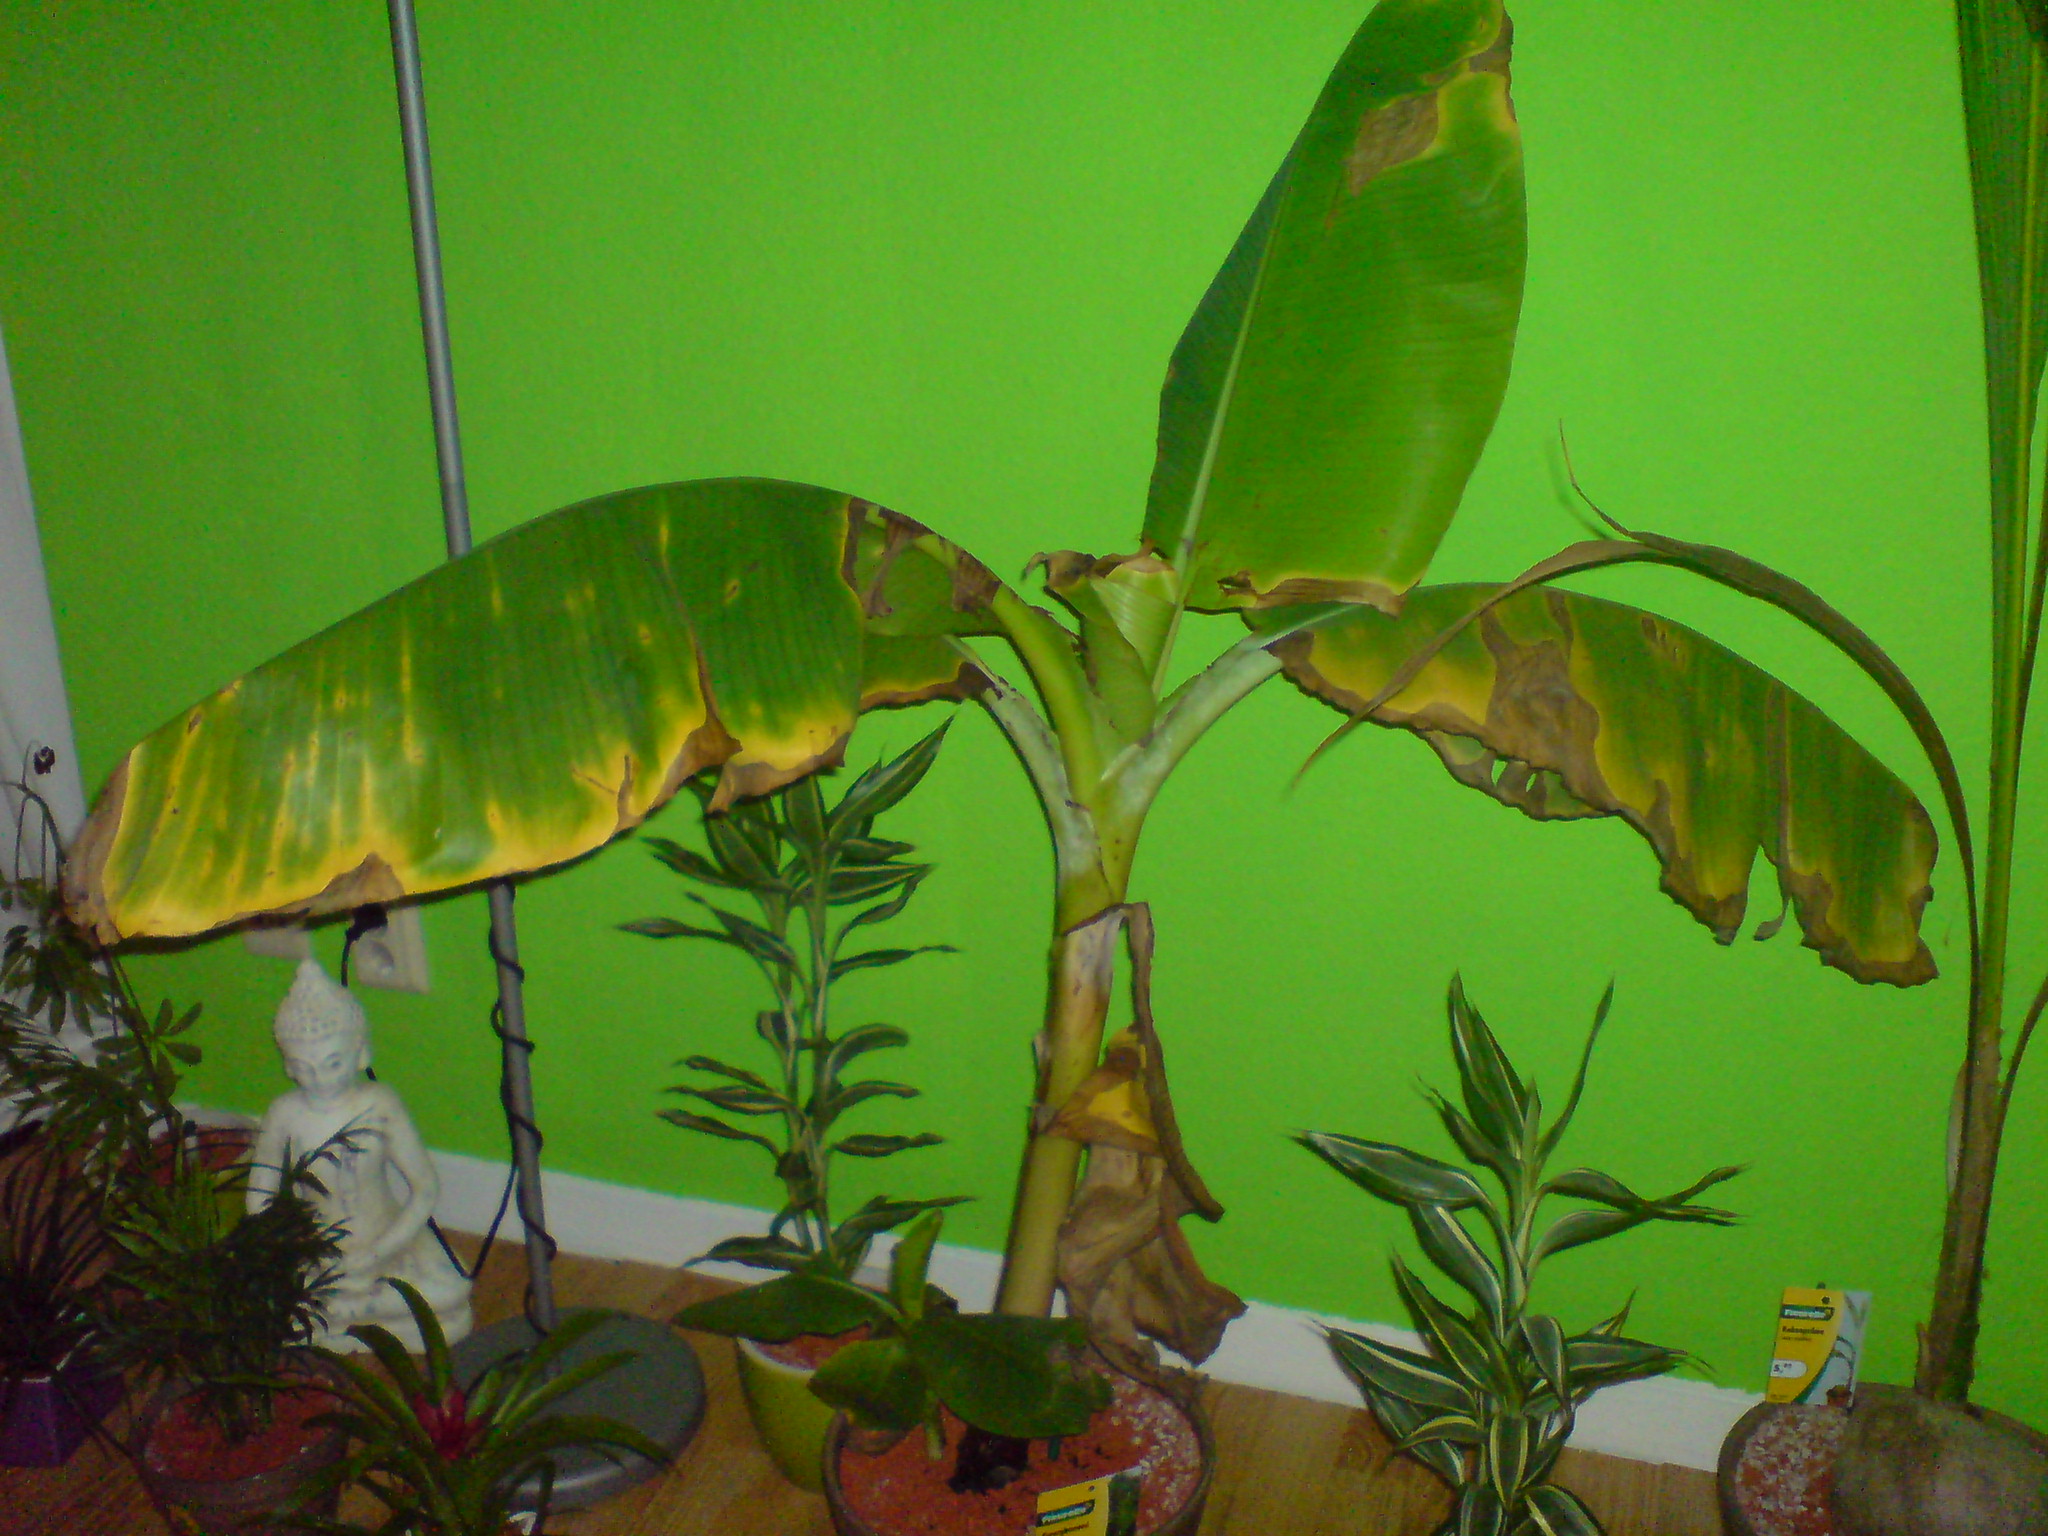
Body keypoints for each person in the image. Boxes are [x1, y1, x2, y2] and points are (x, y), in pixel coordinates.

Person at [247, 956, 471, 1352]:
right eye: (304, 1067)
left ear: (361, 1053)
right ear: (288, 1066)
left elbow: (424, 1189)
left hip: (389, 1242)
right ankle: (350, 1314)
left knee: (452, 1289)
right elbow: (260, 1198)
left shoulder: (380, 1103)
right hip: (315, 1252)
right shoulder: (285, 1113)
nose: (319, 1079)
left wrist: (378, 1253)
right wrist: (293, 1245)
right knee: (274, 1300)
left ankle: (339, 1317)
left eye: (333, 1063)